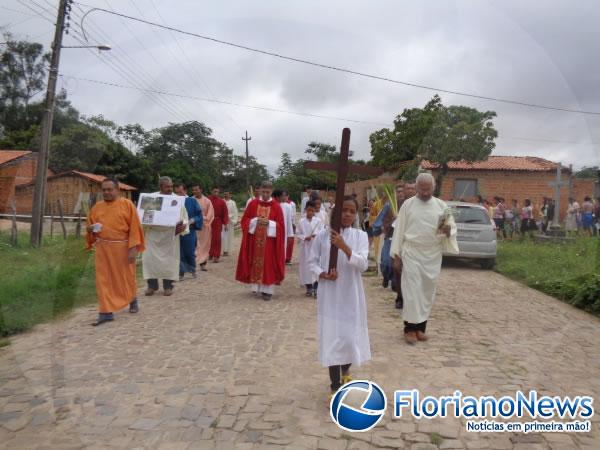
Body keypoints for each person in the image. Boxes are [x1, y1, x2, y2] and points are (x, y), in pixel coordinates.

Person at [308, 196, 371, 395]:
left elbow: (363, 264)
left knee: (349, 337)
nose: (347, 214)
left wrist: (344, 246)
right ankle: (335, 385)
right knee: (332, 336)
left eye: (352, 211)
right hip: (330, 293)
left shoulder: (360, 236)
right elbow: (312, 262)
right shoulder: (321, 236)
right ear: (336, 212)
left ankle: (346, 370)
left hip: (350, 293)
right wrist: (323, 274)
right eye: (344, 210)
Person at [390, 173, 457, 345]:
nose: (425, 193)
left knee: (427, 292)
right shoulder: (408, 205)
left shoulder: (442, 206)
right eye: (422, 190)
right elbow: (399, 230)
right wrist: (397, 255)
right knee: (412, 292)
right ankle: (409, 329)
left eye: (428, 190)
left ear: (433, 188)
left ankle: (420, 328)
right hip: (411, 252)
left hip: (432, 255)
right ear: (416, 188)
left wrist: (449, 231)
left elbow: (448, 228)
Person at [86, 178, 145, 326]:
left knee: (126, 277)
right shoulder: (97, 207)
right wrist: (91, 230)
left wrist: (133, 249)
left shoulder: (127, 205)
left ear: (117, 190)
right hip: (103, 249)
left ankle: (132, 299)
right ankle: (105, 312)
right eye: (104, 190)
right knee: (103, 280)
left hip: (123, 248)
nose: (106, 192)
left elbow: (135, 228)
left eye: (109, 189)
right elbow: (89, 226)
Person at [236, 181, 286, 300]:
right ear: (259, 190)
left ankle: (267, 291)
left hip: (269, 242)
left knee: (268, 264)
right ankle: (256, 287)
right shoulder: (253, 204)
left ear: (271, 191)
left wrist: (269, 223)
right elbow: (245, 220)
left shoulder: (276, 206)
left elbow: (281, 226)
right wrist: (254, 221)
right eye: (263, 191)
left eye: (267, 192)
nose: (265, 194)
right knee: (255, 262)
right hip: (255, 240)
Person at [143, 176, 188, 297]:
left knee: (170, 261)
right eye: (167, 186)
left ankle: (168, 286)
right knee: (150, 260)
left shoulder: (176, 199)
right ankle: (152, 286)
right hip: (153, 234)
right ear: (161, 187)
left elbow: (184, 216)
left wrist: (183, 225)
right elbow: (145, 216)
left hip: (170, 235)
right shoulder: (153, 198)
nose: (170, 188)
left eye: (171, 186)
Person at [297, 200, 325, 297]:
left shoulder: (318, 221)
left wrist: (315, 235)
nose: (310, 213)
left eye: (312, 211)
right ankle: (308, 287)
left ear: (314, 211)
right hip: (305, 248)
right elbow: (298, 233)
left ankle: (316, 288)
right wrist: (305, 237)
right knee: (306, 268)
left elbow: (322, 233)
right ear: (305, 210)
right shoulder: (301, 221)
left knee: (316, 266)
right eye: (308, 210)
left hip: (316, 247)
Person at [175, 183, 203, 280]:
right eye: (177, 192)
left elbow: (199, 215)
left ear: (185, 191)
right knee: (180, 252)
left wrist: (193, 220)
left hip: (189, 230)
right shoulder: (174, 201)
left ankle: (193, 269)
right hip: (177, 231)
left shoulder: (192, 201)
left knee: (189, 251)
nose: (179, 194)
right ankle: (181, 272)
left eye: (181, 192)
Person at [193, 185, 214, 271]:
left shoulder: (207, 201)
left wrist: (203, 218)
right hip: (193, 226)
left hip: (204, 226)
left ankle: (203, 264)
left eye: (197, 190)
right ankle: (192, 263)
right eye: (193, 190)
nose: (195, 192)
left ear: (201, 190)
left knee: (204, 245)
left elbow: (210, 213)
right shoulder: (191, 200)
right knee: (194, 245)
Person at [208, 187, 229, 263]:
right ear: (211, 191)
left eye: (217, 192)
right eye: (214, 191)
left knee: (217, 239)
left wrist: (225, 223)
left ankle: (216, 256)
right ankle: (210, 253)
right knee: (209, 238)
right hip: (209, 221)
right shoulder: (208, 200)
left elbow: (225, 213)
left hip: (217, 221)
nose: (216, 193)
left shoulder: (221, 202)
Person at [222, 191, 239, 256]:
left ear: (230, 195)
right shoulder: (222, 201)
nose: (226, 195)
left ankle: (228, 250)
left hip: (230, 222)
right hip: (223, 222)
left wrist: (234, 220)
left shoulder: (232, 202)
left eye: (227, 194)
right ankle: (223, 250)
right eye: (225, 194)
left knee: (229, 236)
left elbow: (235, 212)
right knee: (223, 236)